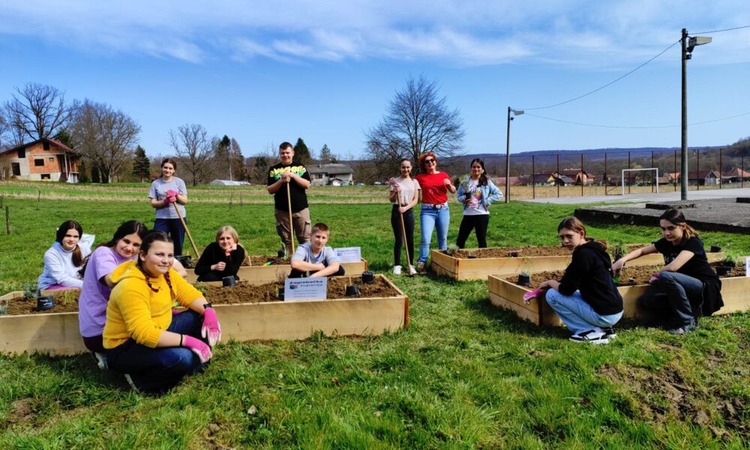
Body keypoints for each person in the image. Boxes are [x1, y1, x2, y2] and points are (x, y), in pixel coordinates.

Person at [103, 231, 221, 394]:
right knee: (182, 358)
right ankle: (141, 381)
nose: (166, 260)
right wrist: (187, 341)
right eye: (159, 254)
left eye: (170, 255)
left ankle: (193, 362)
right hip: (126, 346)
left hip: (160, 328)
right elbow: (144, 333)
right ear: (143, 255)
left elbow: (189, 294)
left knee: (200, 317)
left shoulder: (167, 274)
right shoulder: (130, 287)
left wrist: (209, 312)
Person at [612, 208, 723, 335]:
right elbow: (642, 251)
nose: (667, 233)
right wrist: (623, 260)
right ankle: (675, 317)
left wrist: (657, 275)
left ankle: (688, 322)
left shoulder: (693, 243)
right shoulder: (667, 242)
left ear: (682, 226)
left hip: (703, 284)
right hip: (679, 283)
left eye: (671, 228)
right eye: (663, 229)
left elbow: (673, 267)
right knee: (647, 300)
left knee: (666, 276)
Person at [538, 217, 623, 344]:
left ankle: (588, 331)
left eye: (569, 236)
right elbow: (572, 282)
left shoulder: (583, 255)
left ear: (581, 233)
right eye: (562, 237)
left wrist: (550, 283)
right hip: (615, 310)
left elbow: (566, 289)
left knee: (552, 295)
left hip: (605, 315)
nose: (565, 241)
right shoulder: (595, 250)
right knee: (576, 291)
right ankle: (605, 329)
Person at [78, 220, 148, 356]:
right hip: (100, 331)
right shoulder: (103, 253)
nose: (129, 248)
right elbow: (111, 281)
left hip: (117, 324)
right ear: (117, 238)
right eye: (126, 241)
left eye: (136, 245)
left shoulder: (133, 258)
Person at [267, 142, 312, 257]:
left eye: (287, 152)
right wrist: (281, 181)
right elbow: (270, 190)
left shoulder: (300, 167)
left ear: (292, 153)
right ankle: (289, 261)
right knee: (286, 240)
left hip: (300, 209)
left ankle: (305, 261)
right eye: (282, 153)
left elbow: (307, 184)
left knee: (305, 239)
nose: (285, 155)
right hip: (282, 210)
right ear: (279, 154)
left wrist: (293, 176)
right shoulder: (274, 170)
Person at [414, 152, 456, 273]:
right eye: (427, 161)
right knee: (425, 238)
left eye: (432, 160)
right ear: (424, 165)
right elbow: (410, 185)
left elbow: (453, 191)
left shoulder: (443, 175)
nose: (430, 163)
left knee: (442, 238)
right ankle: (422, 263)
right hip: (428, 211)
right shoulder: (420, 178)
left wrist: (449, 185)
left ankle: (442, 264)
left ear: (435, 162)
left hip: (443, 209)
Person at [455, 158, 503, 248]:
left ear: (482, 169)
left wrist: (487, 201)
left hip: (482, 215)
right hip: (468, 215)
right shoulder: (465, 182)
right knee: (460, 240)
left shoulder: (486, 182)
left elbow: (499, 194)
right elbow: (459, 196)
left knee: (481, 239)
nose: (476, 169)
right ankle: (458, 260)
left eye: (478, 167)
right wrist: (464, 198)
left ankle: (483, 260)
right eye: (474, 167)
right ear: (471, 168)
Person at [149, 158, 188, 256]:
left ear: (174, 170)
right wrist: (165, 201)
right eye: (165, 167)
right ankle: (159, 261)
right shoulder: (156, 183)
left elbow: (185, 201)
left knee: (177, 243)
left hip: (178, 217)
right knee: (158, 241)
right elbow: (153, 203)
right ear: (162, 168)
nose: (168, 170)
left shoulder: (179, 182)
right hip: (162, 218)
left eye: (170, 168)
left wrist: (176, 195)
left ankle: (177, 261)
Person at [38, 220, 92, 291]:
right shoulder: (51, 254)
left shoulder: (84, 249)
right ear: (61, 235)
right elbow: (62, 279)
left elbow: (91, 271)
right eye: (68, 236)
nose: (71, 239)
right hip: (53, 286)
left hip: (79, 284)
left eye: (75, 236)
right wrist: (87, 285)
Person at [388, 158, 420, 275]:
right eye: (403, 167)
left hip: (408, 210)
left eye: (407, 167)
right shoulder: (395, 181)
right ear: (400, 168)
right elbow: (391, 199)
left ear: (411, 168)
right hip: (397, 211)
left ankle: (410, 264)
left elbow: (416, 200)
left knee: (409, 239)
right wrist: (395, 192)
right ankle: (397, 265)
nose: (405, 169)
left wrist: (405, 208)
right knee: (399, 239)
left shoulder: (414, 182)